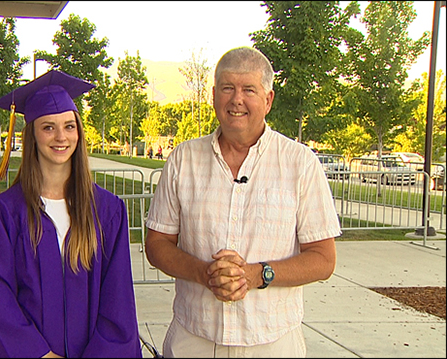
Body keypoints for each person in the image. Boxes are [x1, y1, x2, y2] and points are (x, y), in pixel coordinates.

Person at [144, 46, 341, 358]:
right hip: (193, 338)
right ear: (213, 96)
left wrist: (257, 274)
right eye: (227, 88)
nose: (236, 99)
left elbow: (323, 259)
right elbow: (157, 243)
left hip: (272, 342)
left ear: (268, 100)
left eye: (249, 89)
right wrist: (203, 273)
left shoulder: (300, 163)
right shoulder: (184, 159)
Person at [0, 70, 142, 358]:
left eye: (69, 126)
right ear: (32, 135)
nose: (61, 137)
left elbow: (118, 300)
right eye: (48, 127)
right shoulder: (4, 214)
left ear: (79, 133)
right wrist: (39, 354)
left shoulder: (108, 211)